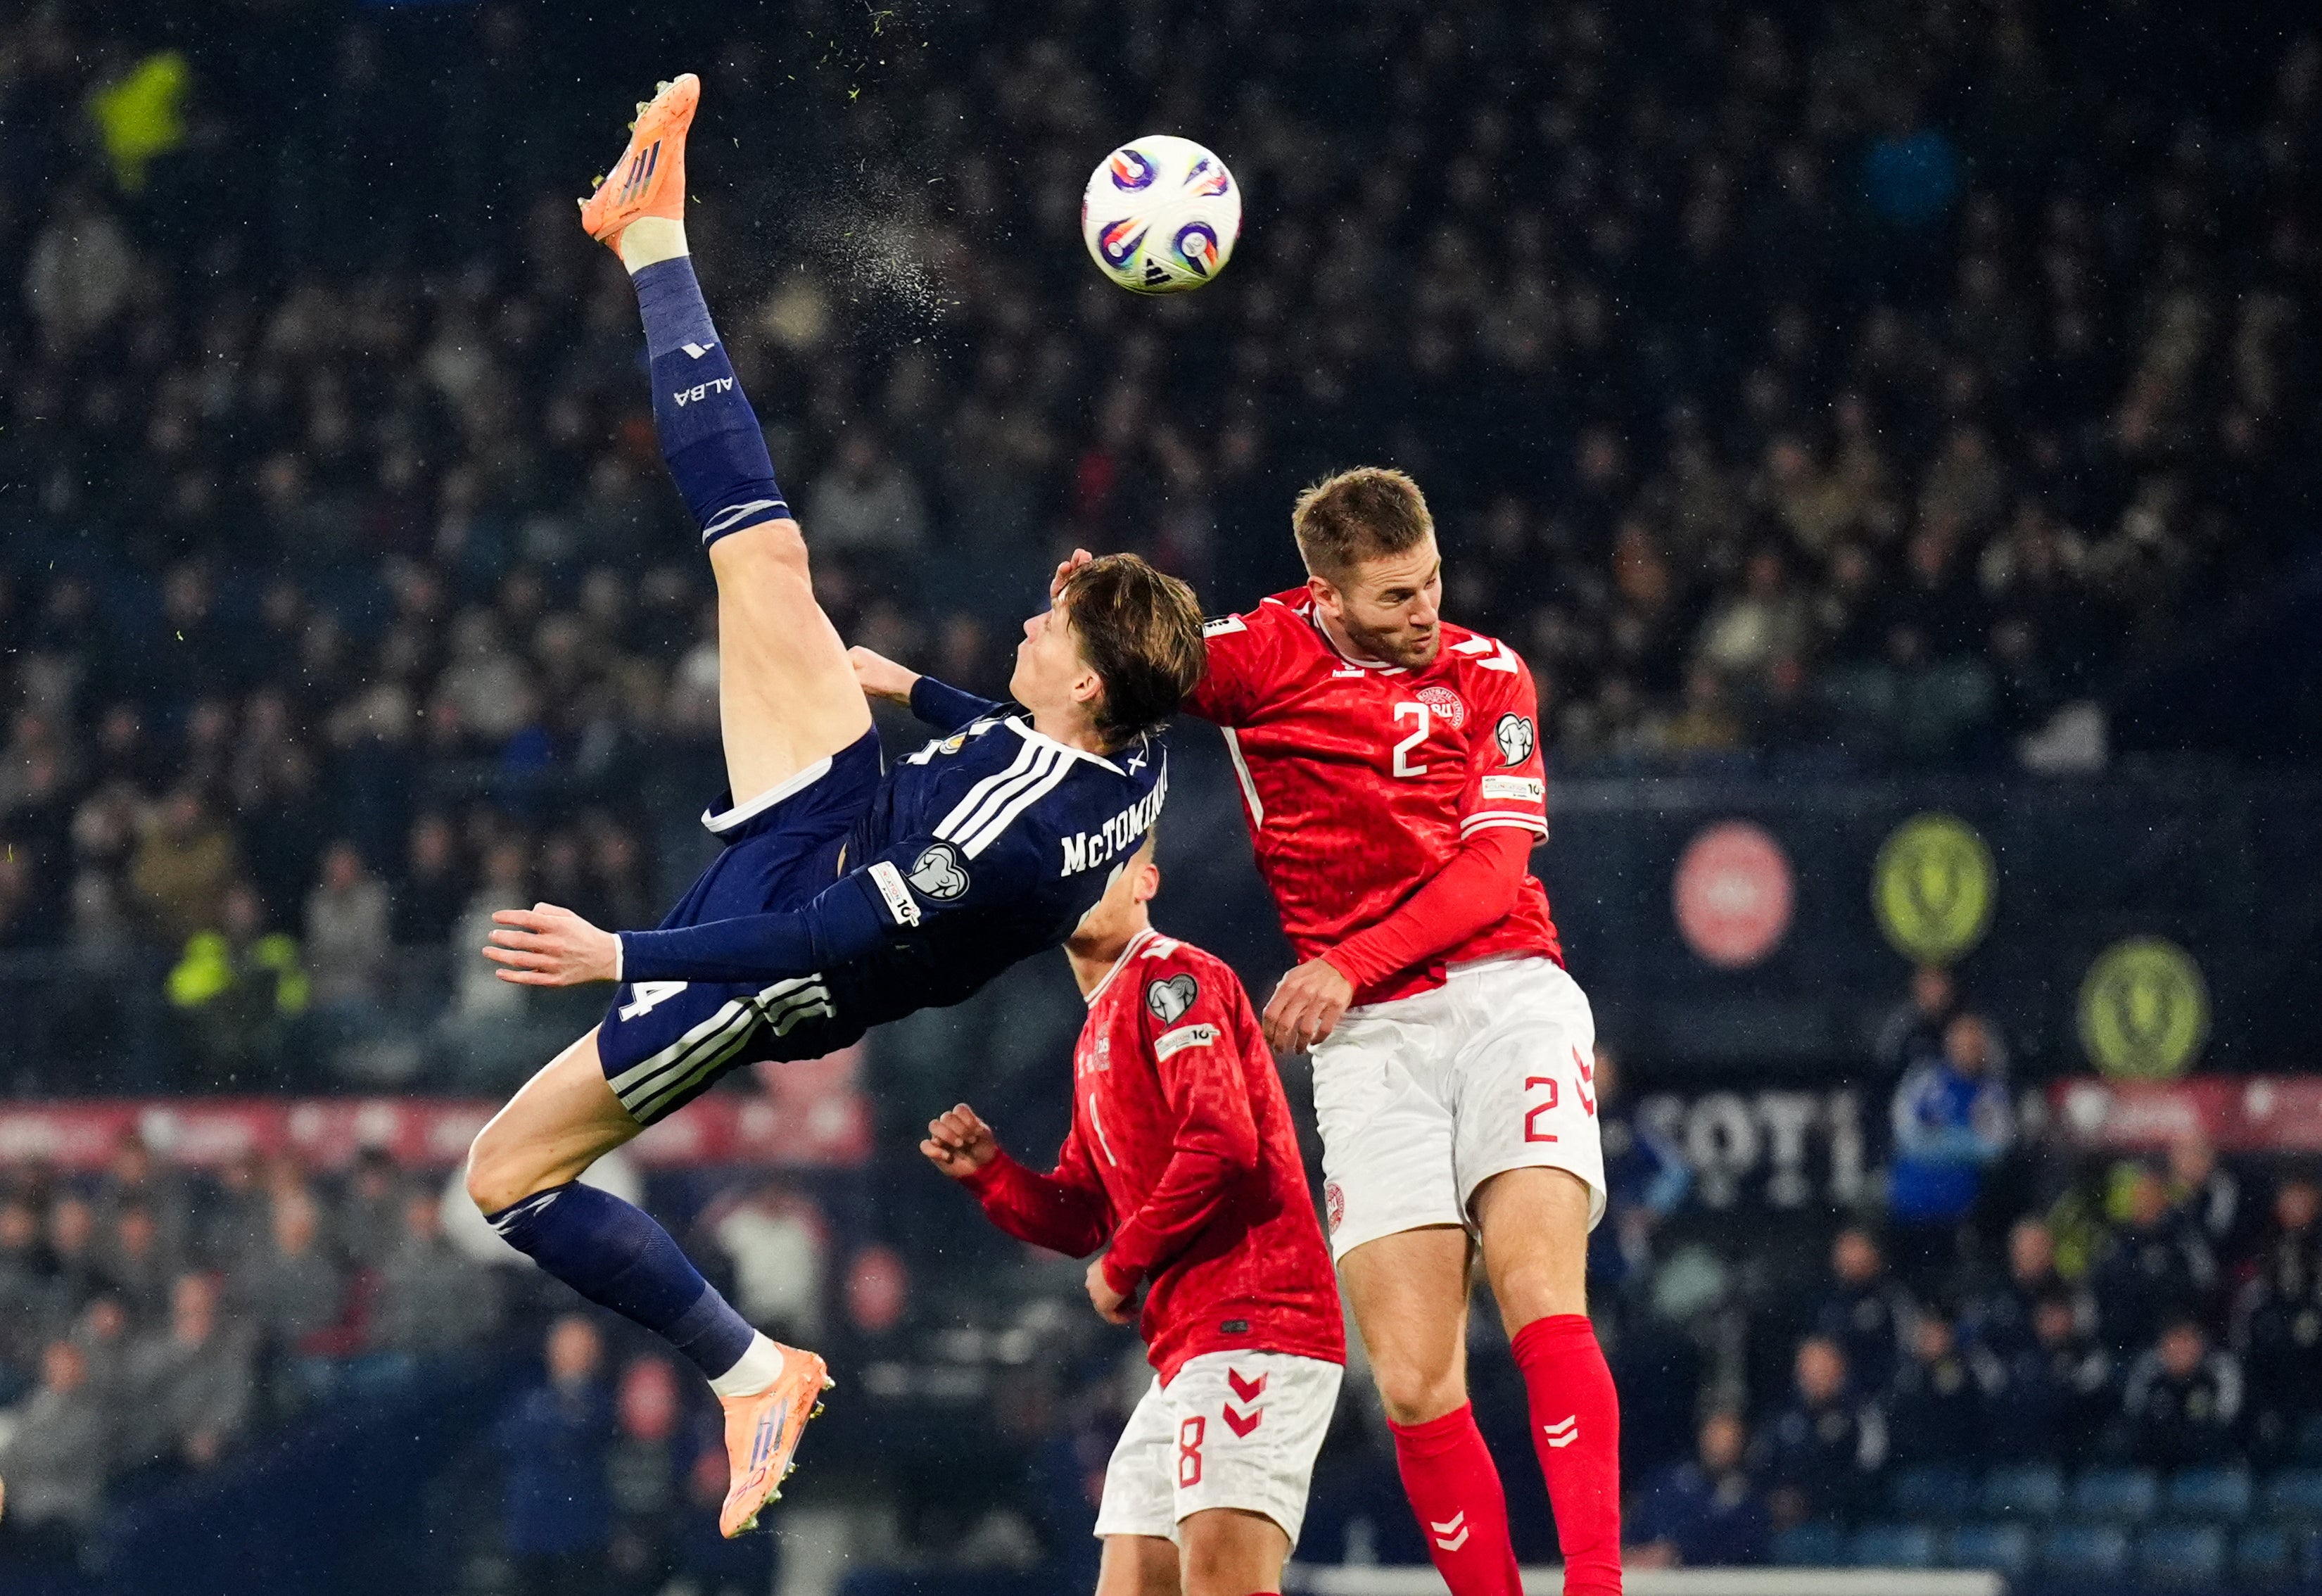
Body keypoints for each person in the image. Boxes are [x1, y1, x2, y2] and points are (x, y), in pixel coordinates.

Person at [458, 75, 1205, 1540]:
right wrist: (910, 683)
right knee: (763, 561)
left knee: (505, 1177)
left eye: (1058, 633)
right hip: (848, 813)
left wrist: (622, 956)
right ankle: (650, 234)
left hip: (786, 963)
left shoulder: (1019, 829)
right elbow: (1021, 738)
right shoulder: (1129, 752)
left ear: (1089, 693)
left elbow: (815, 938)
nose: (1036, 626)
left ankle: (754, 1371)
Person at [1061, 462, 1618, 1595]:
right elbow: (1119, 669)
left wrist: (1346, 966)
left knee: (1536, 1297)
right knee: (1415, 1381)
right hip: (1372, 1044)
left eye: (1431, 586)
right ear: (1324, 594)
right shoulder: (1264, 657)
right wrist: (1098, 615)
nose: (1425, 616)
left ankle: (1598, 1589)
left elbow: (1495, 867)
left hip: (1509, 988)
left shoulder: (1489, 673)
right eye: (1395, 600)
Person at [920, 835, 1345, 1596]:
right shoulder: (1095, 1030)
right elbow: (1084, 1214)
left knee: (1223, 1579)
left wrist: (1123, 1266)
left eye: (1102, 863)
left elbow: (1221, 1141)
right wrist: (993, 1176)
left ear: (1147, 880)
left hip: (1257, 1321)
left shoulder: (1171, 978)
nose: (1079, 879)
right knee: (1134, 1582)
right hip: (1186, 1351)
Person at [494, 1315, 618, 1596]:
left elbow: (583, 1431)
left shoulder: (603, 1402)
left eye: (580, 1349)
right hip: (531, 1533)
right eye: (565, 1347)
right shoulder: (527, 1398)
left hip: (583, 1535)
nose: (571, 1357)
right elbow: (506, 1439)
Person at [1625, 1411, 1770, 1569]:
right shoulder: (1669, 1481)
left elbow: (1742, 1552)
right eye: (1714, 1437)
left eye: (1728, 1441)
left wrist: (1680, 1554)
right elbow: (1638, 1529)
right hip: (1649, 1579)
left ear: (1741, 1445)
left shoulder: (1748, 1499)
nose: (1719, 1448)